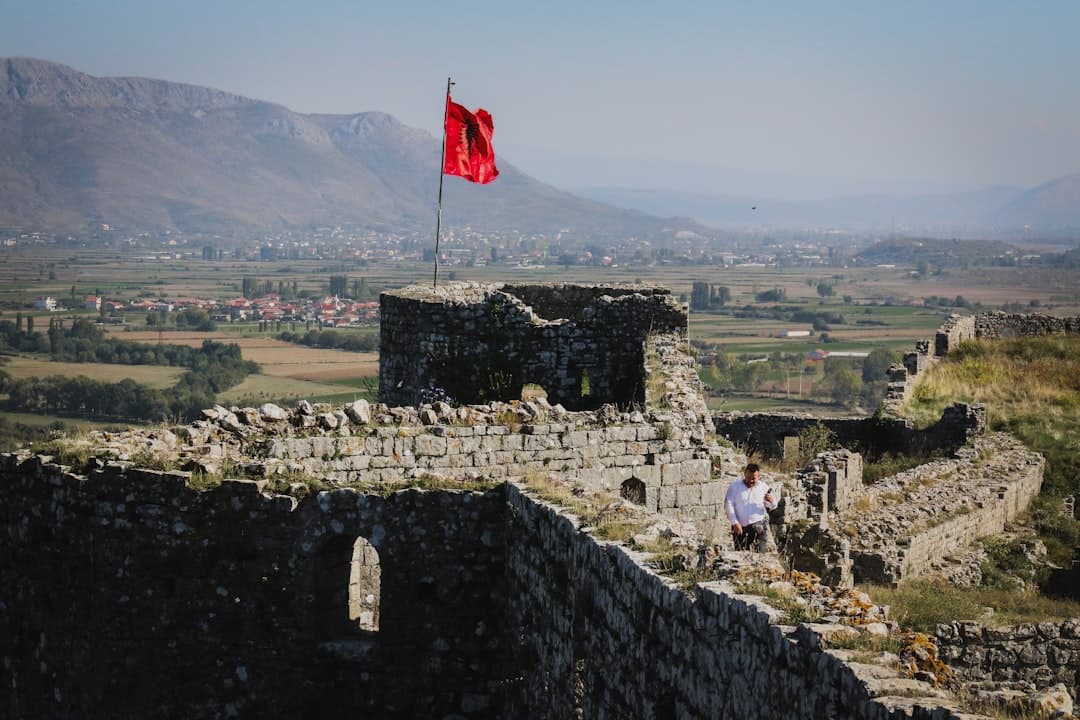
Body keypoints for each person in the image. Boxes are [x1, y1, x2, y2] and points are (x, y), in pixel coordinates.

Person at [724, 463, 777, 552]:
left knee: (760, 555)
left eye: (753, 478)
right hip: (740, 527)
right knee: (740, 554)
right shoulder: (735, 486)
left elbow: (772, 506)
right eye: (748, 478)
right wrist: (735, 522)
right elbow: (728, 504)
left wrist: (772, 501)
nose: (751, 481)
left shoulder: (763, 487)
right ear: (745, 474)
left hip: (759, 526)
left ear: (758, 476)